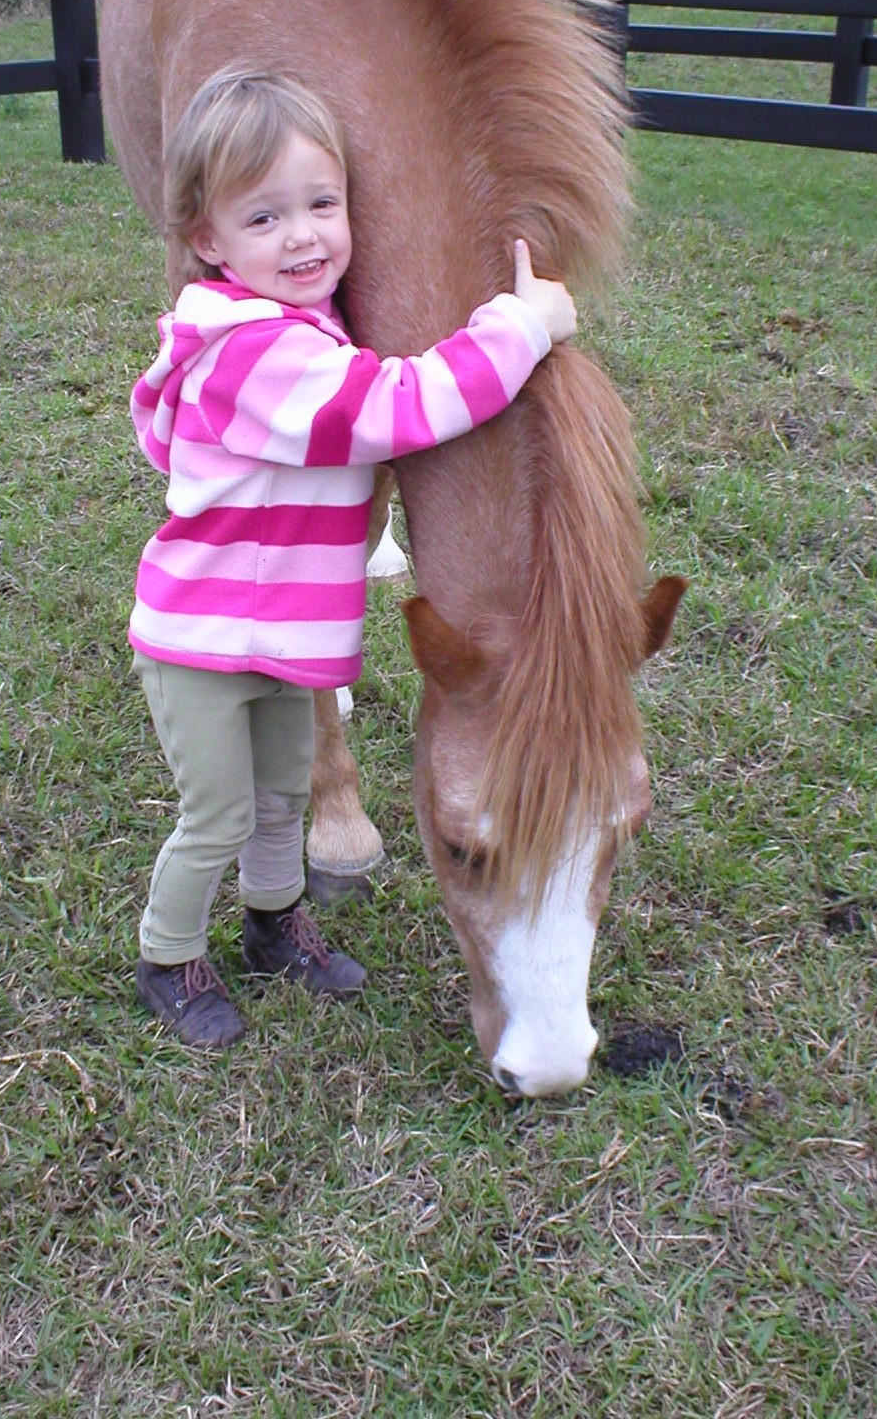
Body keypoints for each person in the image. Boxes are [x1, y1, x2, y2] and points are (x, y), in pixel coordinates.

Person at [129, 66, 577, 1048]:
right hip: (203, 644)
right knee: (217, 815)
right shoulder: (254, 352)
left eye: (321, 205)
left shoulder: (297, 329)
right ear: (207, 241)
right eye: (263, 217)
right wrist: (522, 326)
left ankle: (273, 925)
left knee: (284, 796)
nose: (302, 236)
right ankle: (168, 957)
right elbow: (394, 406)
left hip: (277, 637)